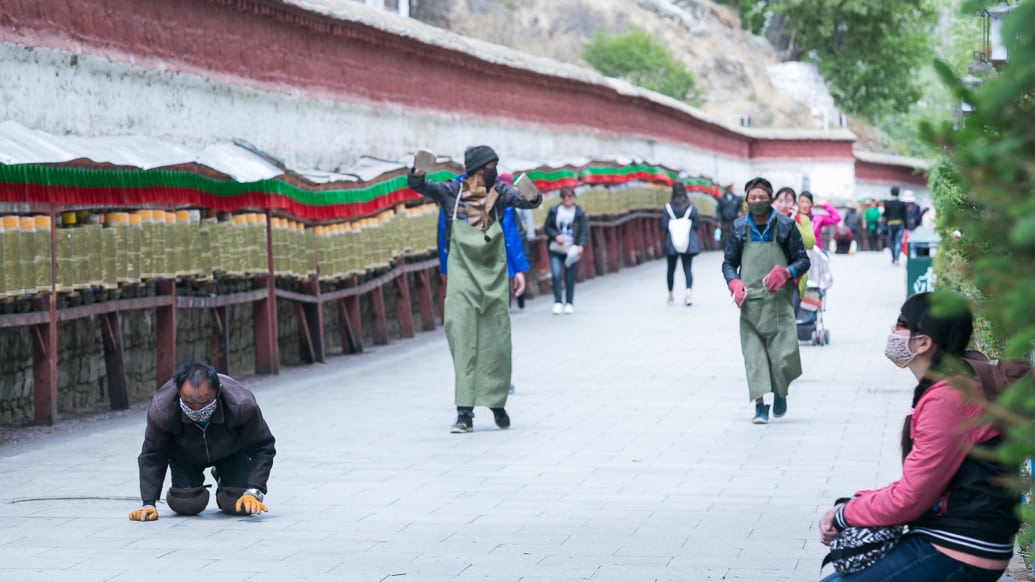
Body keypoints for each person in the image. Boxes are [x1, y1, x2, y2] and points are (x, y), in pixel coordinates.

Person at [818, 292, 1020, 581]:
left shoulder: (948, 399)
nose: (892, 331)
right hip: (958, 537)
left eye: (901, 323)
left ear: (924, 343)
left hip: (958, 547)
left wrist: (844, 515)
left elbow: (910, 498)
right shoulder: (954, 385)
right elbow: (921, 481)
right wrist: (856, 503)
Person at [408, 145, 542, 433]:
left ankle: (496, 403)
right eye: (492, 165)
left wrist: (532, 192)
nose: (495, 169)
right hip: (462, 276)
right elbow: (419, 185)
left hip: (492, 275)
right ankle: (464, 413)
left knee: (496, 339)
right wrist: (418, 169)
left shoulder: (501, 193)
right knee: (461, 333)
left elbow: (529, 203)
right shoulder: (450, 192)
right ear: (479, 168)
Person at [130, 360, 276, 521]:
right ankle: (190, 485)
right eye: (189, 403)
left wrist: (254, 490)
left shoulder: (242, 404)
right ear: (179, 393)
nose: (197, 410)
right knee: (186, 505)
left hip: (231, 452)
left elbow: (263, 447)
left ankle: (223, 479)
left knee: (240, 505)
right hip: (185, 456)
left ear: (218, 391)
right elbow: (152, 455)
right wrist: (148, 503)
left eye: (204, 403)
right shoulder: (162, 410)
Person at [722, 177, 810, 424]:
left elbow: (803, 260)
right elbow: (729, 263)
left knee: (782, 355)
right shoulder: (739, 228)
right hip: (750, 303)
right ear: (747, 200)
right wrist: (734, 283)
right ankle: (760, 405)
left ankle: (781, 392)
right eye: (753, 198)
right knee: (754, 357)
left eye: (762, 198)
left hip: (779, 301)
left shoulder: (785, 226)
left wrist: (787, 272)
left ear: (770, 200)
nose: (758, 202)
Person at [543, 186, 587, 315]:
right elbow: (547, 227)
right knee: (556, 275)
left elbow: (583, 230)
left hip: (571, 248)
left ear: (573, 197)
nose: (567, 199)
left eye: (569, 196)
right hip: (556, 247)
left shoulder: (579, 212)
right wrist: (556, 235)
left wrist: (581, 245)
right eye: (564, 196)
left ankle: (569, 302)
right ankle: (557, 301)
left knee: (570, 276)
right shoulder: (554, 210)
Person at [661, 182, 701, 305]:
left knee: (670, 269)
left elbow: (664, 225)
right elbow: (696, 224)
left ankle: (670, 295)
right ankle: (688, 294)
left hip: (672, 242)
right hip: (688, 241)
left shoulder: (668, 207)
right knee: (687, 268)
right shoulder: (691, 207)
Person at [883, 186, 908, 265]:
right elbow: (905, 216)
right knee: (898, 241)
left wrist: (884, 225)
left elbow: (885, 215)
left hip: (890, 225)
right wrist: (906, 227)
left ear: (891, 193)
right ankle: (897, 258)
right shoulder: (902, 204)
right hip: (900, 225)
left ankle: (894, 258)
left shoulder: (887, 203)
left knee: (892, 242)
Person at [716, 186, 742, 251]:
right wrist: (718, 221)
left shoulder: (736, 198)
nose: (731, 189)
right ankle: (725, 249)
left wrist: (739, 212)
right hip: (725, 221)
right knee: (725, 236)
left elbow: (740, 207)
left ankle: (734, 248)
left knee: (734, 235)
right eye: (730, 187)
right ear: (726, 189)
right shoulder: (721, 199)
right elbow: (718, 210)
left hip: (734, 220)